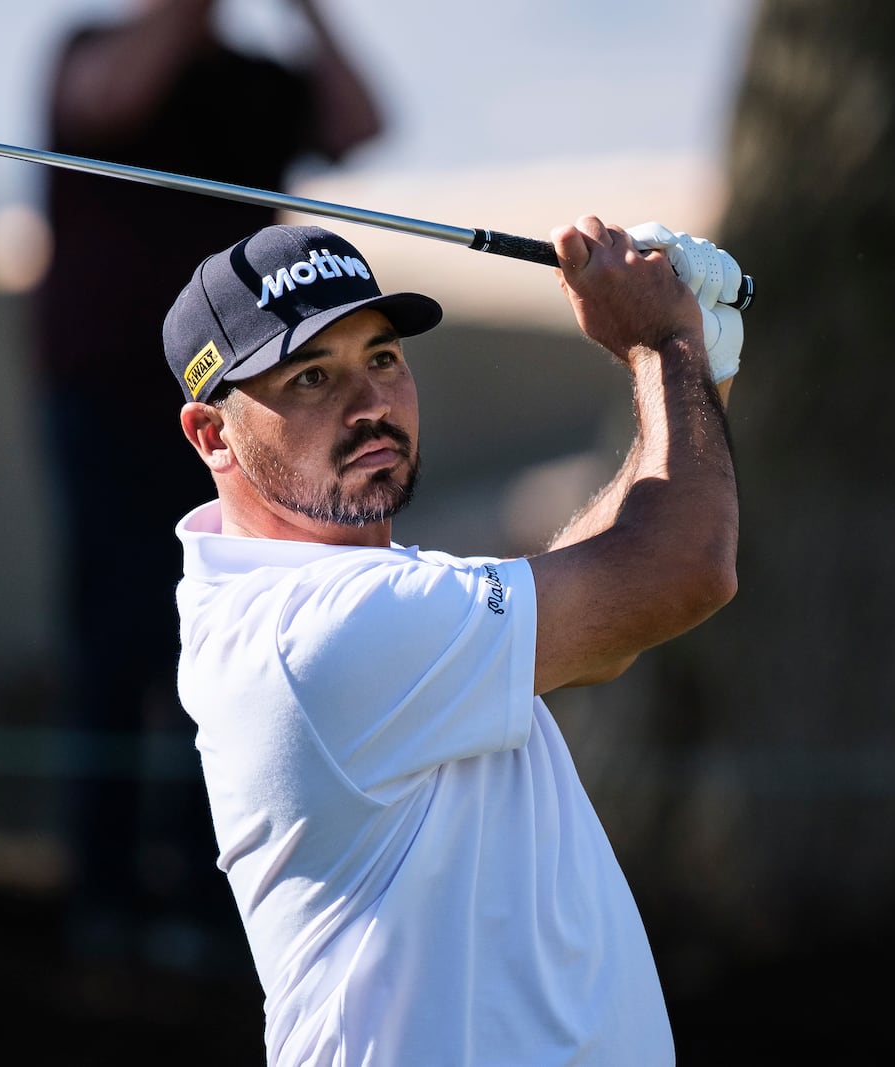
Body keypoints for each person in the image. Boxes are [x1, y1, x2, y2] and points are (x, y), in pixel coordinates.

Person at [161, 219, 745, 1063]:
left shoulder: (361, 589)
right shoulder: (315, 631)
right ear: (212, 435)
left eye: (383, 358)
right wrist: (664, 341)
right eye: (314, 376)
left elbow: (607, 626)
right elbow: (680, 569)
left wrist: (699, 374)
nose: (369, 405)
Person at [28, 0, 384, 968]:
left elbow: (360, 125)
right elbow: (114, 100)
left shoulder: (260, 81)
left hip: (247, 403)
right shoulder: (90, 47)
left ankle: (206, 888)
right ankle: (101, 891)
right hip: (105, 390)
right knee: (114, 635)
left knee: (238, 631)